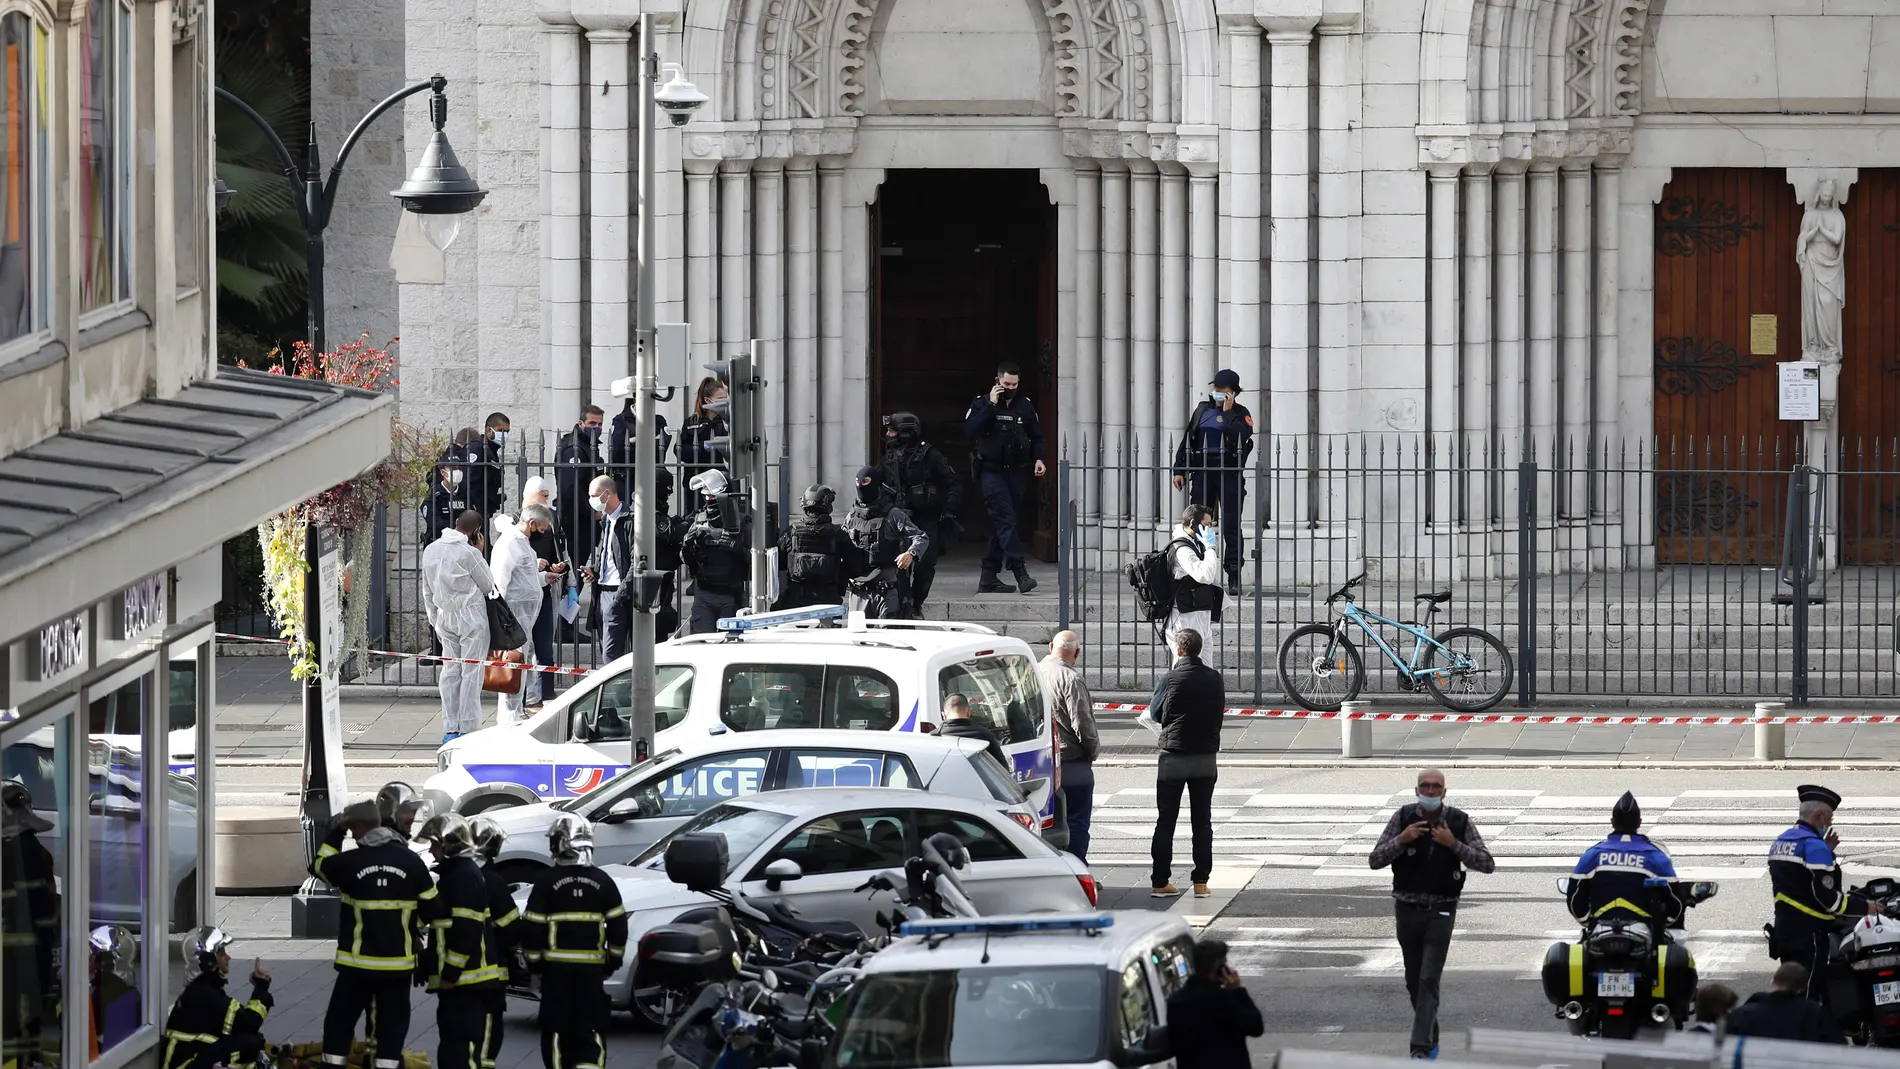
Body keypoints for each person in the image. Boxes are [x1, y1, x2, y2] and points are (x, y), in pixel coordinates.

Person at [1367, 768, 1496, 1061]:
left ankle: (1420, 1049)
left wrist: (1454, 844)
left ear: (1444, 792)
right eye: (1424, 786)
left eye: (1436, 787)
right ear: (1416, 791)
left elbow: (1487, 863)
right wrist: (1401, 840)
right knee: (1414, 979)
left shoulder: (1459, 821)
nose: (1430, 791)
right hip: (1407, 908)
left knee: (1428, 978)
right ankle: (1431, 1032)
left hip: (1441, 908)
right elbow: (1375, 859)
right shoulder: (1403, 817)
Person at [310, 800, 437, 1069]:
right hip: (397, 969)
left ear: (356, 827)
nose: (353, 837)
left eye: (352, 830)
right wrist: (408, 925)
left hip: (356, 967)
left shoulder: (349, 862)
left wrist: (336, 831)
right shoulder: (412, 862)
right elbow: (433, 908)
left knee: (339, 1025)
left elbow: (318, 865)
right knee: (391, 1030)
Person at [521, 815, 627, 1069]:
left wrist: (534, 964)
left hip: (556, 975)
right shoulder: (604, 881)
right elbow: (619, 926)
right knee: (591, 1031)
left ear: (560, 843)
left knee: (557, 1032)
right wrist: (612, 961)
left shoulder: (546, 882)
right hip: (592, 975)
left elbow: (533, 927)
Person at [1769, 784, 1882, 1002]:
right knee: (1808, 995)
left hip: (1785, 931)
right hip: (1810, 935)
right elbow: (1829, 900)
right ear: (1819, 816)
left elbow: (1798, 880)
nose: (1830, 823)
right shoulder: (1815, 848)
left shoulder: (1782, 841)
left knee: (1790, 991)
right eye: (1829, 818)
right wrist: (1865, 907)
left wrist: (1825, 849)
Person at [414, 814, 507, 1069]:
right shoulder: (456, 874)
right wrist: (428, 961)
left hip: (465, 982)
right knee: (454, 1049)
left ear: (449, 845)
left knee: (460, 1052)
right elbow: (443, 925)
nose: (431, 850)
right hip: (462, 982)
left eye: (435, 844)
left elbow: (467, 929)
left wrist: (451, 973)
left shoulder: (464, 876)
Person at [1137, 628, 1223, 900]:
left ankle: (1160, 881)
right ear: (1199, 650)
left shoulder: (1170, 679)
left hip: (1173, 755)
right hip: (1204, 757)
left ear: (1178, 649)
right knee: (1202, 821)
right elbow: (1218, 712)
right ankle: (1200, 882)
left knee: (1166, 821)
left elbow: (1155, 712)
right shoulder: (1214, 679)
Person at [963, 361, 1046, 595]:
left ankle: (988, 577)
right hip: (991, 471)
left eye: (1015, 384)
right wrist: (991, 404)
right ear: (997, 381)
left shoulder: (1025, 406)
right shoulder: (982, 403)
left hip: (1017, 472)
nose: (1010, 388)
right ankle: (1019, 571)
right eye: (1006, 384)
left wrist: (1039, 458)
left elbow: (1036, 436)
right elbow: (970, 430)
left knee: (1003, 523)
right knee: (1005, 520)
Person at [1170, 370, 1254, 595]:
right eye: (1215, 389)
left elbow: (1242, 435)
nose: (1217, 393)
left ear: (1233, 393)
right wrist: (1179, 469)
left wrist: (1227, 414)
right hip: (1203, 471)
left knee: (1231, 525)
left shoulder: (1240, 413)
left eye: (1222, 391)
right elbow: (1188, 439)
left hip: (1229, 473)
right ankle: (1196, 571)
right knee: (1198, 524)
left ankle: (1233, 574)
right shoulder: (1202, 410)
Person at [422, 511, 500, 742]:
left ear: (456, 523)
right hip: (471, 617)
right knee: (471, 671)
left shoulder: (431, 550)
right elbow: (488, 586)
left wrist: (434, 619)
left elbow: (427, 589)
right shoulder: (470, 553)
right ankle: (467, 726)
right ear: (476, 532)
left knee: (450, 671)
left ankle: (451, 726)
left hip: (444, 616)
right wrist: (481, 553)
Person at [879, 411, 961, 611]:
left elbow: (953, 483)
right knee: (897, 566)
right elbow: (875, 483)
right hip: (897, 519)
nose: (888, 435)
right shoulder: (888, 457)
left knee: (925, 565)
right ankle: (904, 606)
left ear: (905, 433)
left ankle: (916, 604)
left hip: (925, 519)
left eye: (892, 431)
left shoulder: (929, 455)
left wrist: (949, 510)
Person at [1565, 791, 1682, 927]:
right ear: (1639, 823)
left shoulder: (1593, 854)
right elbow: (1675, 901)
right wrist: (1661, 926)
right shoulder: (1655, 855)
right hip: (1644, 935)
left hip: (1600, 931)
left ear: (1612, 822)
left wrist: (1587, 922)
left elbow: (1575, 896)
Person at [162, 927, 272, 1069]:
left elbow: (241, 1026)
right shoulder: (206, 994)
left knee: (251, 1041)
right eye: (222, 953)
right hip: (185, 1065)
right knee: (251, 1043)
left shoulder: (203, 987)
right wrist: (261, 987)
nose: (228, 957)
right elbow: (251, 1022)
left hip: (186, 1060)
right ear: (209, 960)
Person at [1037, 630, 1098, 861]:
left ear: (1051, 645)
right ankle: (1077, 872)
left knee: (1046, 822)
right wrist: (1092, 751)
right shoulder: (1070, 679)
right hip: (1071, 759)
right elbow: (1083, 723)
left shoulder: (1034, 672)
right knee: (1077, 821)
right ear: (1078, 653)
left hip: (1042, 760)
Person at [490, 508, 552, 724]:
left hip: (524, 616)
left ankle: (515, 710)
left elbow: (526, 577)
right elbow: (500, 579)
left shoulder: (522, 542)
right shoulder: (510, 543)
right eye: (542, 528)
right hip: (513, 615)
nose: (542, 532)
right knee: (513, 663)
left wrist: (544, 578)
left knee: (520, 661)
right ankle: (509, 714)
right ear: (532, 523)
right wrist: (502, 616)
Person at [843, 466, 929, 619]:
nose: (861, 486)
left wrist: (910, 553)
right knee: (859, 637)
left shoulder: (892, 514)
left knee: (890, 635)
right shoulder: (852, 516)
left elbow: (920, 537)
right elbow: (841, 543)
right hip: (859, 591)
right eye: (858, 482)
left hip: (886, 590)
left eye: (866, 482)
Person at [467, 818, 520, 1069]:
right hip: (491, 969)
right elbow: (511, 927)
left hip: (457, 970)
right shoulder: (494, 882)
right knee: (490, 1024)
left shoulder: (454, 875)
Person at [1164, 938, 1263, 1069]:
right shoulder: (1225, 1000)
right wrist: (1238, 991)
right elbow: (1256, 1027)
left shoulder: (1176, 1001)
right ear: (1220, 968)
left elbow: (1173, 1044)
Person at [681, 469, 751, 634]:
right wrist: (688, 547)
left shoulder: (742, 523)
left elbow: (757, 563)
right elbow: (685, 559)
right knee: (701, 646)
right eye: (706, 496)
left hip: (731, 596)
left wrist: (737, 547)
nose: (709, 500)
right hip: (704, 595)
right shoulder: (698, 520)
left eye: (713, 496)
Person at [520, 481, 570, 704]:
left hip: (546, 592)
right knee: (522, 649)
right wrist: (534, 564)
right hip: (522, 598)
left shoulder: (552, 520)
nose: (546, 501)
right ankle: (522, 695)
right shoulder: (515, 524)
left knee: (545, 648)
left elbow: (561, 550)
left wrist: (560, 568)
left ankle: (547, 692)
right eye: (543, 496)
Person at [775, 485, 864, 610]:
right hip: (828, 602)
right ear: (827, 506)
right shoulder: (838, 533)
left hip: (797, 601)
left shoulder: (791, 533)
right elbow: (855, 567)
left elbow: (780, 564)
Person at [580, 475, 634, 661]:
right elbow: (608, 556)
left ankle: (616, 691)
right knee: (607, 651)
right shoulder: (606, 521)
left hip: (619, 593)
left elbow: (636, 562)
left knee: (611, 656)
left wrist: (620, 594)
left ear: (607, 494)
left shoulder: (629, 520)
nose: (591, 500)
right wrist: (593, 572)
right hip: (602, 592)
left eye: (594, 495)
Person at [1724, 963, 1845, 1044]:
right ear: (1802, 988)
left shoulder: (1742, 1014)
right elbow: (1839, 1047)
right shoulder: (1816, 1014)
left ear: (1772, 981)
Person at [1164, 504, 1224, 657]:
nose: (1210, 529)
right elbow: (1205, 576)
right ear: (1192, 523)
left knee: (1205, 667)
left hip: (1200, 613)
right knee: (1186, 668)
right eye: (1206, 525)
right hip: (1185, 617)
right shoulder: (1182, 549)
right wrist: (1210, 548)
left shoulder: (1195, 543)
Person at [554, 405, 606, 574]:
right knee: (576, 564)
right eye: (592, 423)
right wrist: (592, 511)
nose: (596, 428)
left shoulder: (587, 445)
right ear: (581, 423)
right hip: (576, 516)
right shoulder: (574, 448)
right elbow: (570, 488)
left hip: (585, 515)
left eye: (599, 425)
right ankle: (570, 598)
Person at [677, 376, 730, 504]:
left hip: (722, 479)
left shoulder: (728, 421)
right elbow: (680, 450)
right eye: (720, 399)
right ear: (707, 400)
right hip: (698, 480)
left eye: (726, 399)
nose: (725, 402)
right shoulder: (692, 422)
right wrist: (703, 447)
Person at [937, 692, 1006, 768]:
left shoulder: (934, 738)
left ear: (944, 715)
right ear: (969, 712)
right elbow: (1002, 768)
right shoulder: (985, 734)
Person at [464, 412, 512, 520]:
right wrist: (476, 508)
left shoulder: (491, 451)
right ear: (489, 430)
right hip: (475, 512)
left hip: (485, 510)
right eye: (501, 431)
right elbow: (470, 482)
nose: (505, 435)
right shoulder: (478, 448)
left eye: (507, 432)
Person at [422, 460, 472, 549]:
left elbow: (474, 518)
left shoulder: (466, 493)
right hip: (439, 544)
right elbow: (434, 523)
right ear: (443, 472)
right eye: (453, 468)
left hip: (463, 545)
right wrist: (458, 529)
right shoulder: (434, 494)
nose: (457, 471)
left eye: (459, 468)